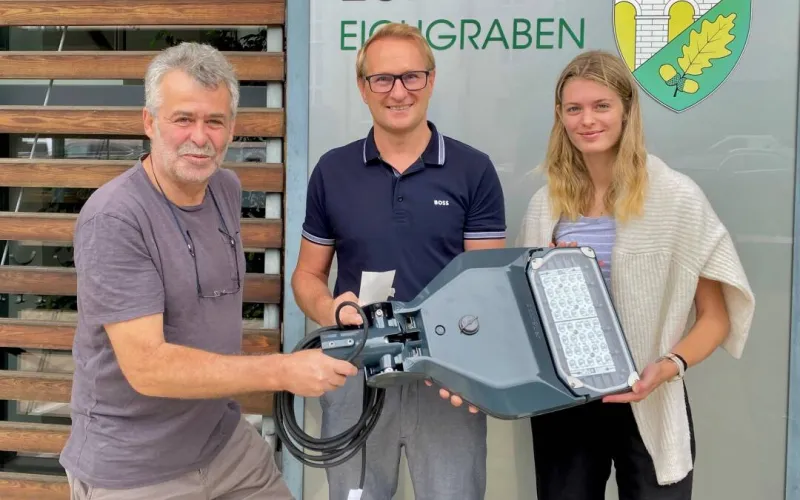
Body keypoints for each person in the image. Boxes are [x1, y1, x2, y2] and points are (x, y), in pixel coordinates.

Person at [59, 42, 358, 499]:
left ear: (232, 128)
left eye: (214, 121)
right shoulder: (115, 218)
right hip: (136, 467)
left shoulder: (224, 188)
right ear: (149, 122)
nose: (199, 137)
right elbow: (147, 368)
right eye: (183, 119)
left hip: (223, 442)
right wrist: (282, 371)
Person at [516, 49, 756, 499]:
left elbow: (715, 317)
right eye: (574, 108)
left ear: (627, 110)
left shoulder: (675, 198)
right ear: (560, 116)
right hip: (566, 399)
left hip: (651, 395)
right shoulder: (546, 206)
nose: (587, 120)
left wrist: (667, 367)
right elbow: (525, 314)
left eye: (601, 106)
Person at [292, 23, 506, 500]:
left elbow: (487, 288)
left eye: (411, 76)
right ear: (362, 87)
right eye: (382, 79)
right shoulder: (332, 170)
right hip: (356, 367)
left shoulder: (473, 170)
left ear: (431, 80)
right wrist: (330, 310)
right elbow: (307, 275)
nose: (398, 91)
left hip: (447, 374)